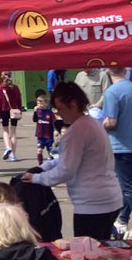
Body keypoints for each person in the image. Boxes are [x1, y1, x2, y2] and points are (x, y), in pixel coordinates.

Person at [24, 82, 123, 243]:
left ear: (73, 104)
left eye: (61, 108)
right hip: (109, 198)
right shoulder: (91, 123)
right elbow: (66, 159)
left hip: (92, 204)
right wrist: (42, 168)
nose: (58, 113)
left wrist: (37, 178)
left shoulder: (77, 131)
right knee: (100, 250)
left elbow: (65, 170)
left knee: (87, 256)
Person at [102, 66, 132, 240]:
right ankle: (122, 220)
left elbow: (111, 121)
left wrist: (99, 124)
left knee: (128, 186)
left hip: (122, 144)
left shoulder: (112, 92)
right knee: (131, 185)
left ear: (108, 72)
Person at [0, 72, 23, 161]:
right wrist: (20, 110)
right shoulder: (15, 87)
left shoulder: (0, 88)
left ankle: (8, 147)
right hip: (14, 111)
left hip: (4, 111)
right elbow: (19, 99)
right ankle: (13, 155)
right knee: (14, 133)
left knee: (5, 131)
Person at [32, 91, 55, 164]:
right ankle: (40, 165)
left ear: (46, 104)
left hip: (48, 136)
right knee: (39, 150)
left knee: (50, 151)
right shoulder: (38, 111)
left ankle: (52, 163)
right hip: (40, 136)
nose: (39, 104)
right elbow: (34, 120)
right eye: (38, 103)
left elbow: (54, 122)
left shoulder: (50, 113)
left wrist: (56, 131)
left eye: (41, 103)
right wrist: (35, 112)